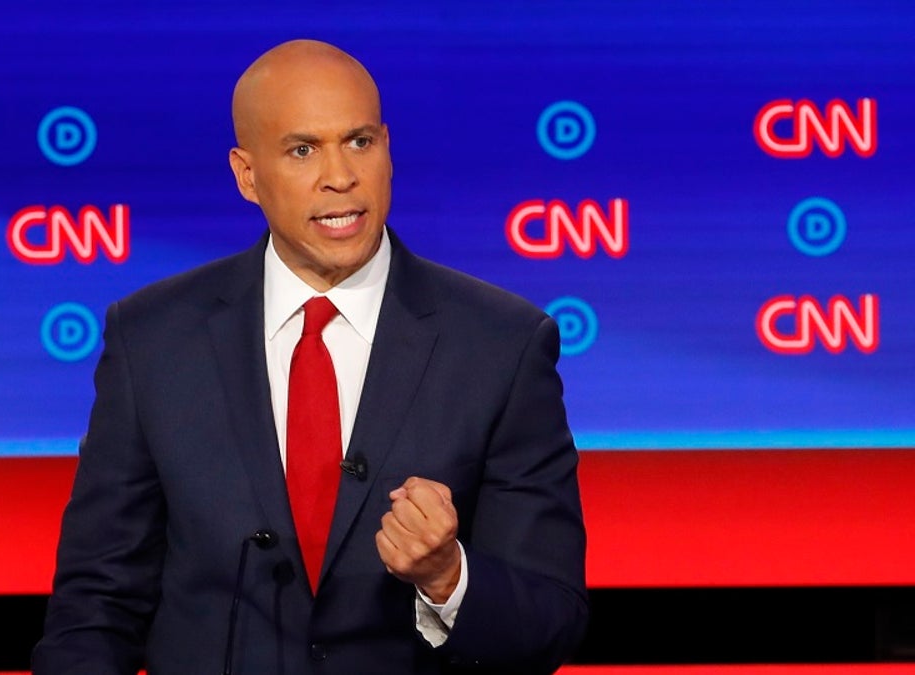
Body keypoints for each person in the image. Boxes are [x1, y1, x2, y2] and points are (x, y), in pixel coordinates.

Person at [32, 39, 587, 675]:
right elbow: (96, 607)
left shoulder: (500, 344)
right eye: (303, 150)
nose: (341, 176)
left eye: (359, 142)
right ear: (247, 175)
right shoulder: (153, 338)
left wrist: (446, 575)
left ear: (387, 148)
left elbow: (551, 621)